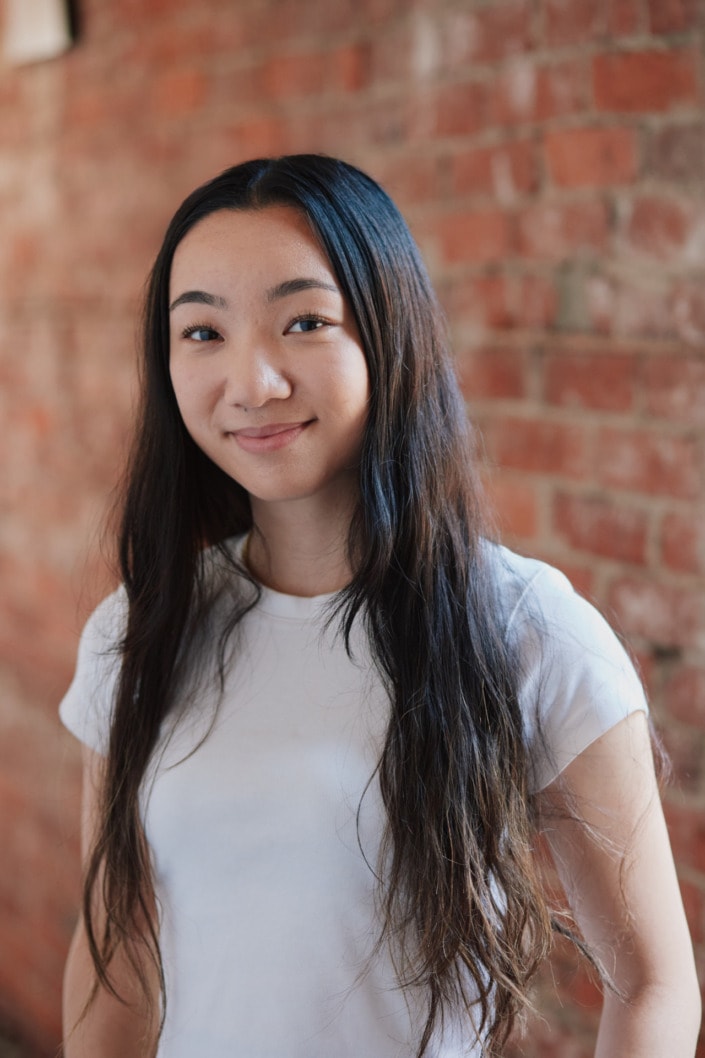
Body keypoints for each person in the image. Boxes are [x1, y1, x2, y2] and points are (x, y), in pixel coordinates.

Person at [59, 155, 699, 1058]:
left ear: (390, 335)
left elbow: (653, 987)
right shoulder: (139, 631)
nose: (253, 382)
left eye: (305, 322)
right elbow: (114, 954)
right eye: (202, 333)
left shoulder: (524, 628)